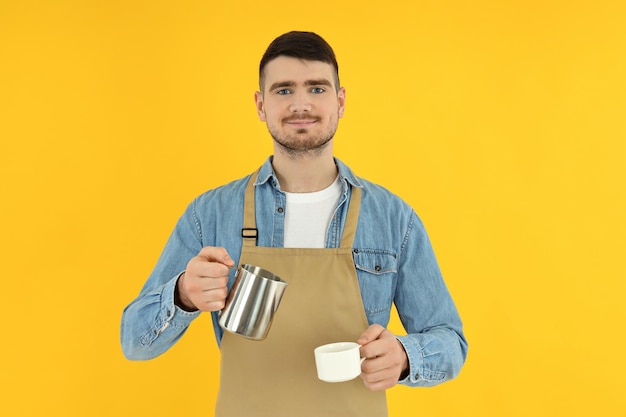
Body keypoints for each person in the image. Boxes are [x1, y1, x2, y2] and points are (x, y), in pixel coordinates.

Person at [121, 31, 468, 416]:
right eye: (283, 90)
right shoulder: (211, 215)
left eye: (317, 89)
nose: (301, 104)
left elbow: (450, 341)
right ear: (260, 104)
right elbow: (134, 342)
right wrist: (183, 294)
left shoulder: (392, 219)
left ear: (340, 101)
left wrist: (405, 355)